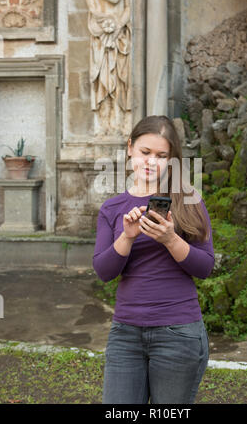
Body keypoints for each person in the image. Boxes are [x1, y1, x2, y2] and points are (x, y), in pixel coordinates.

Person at [92, 115, 215, 404]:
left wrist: (170, 239)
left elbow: (205, 267)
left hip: (179, 332)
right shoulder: (112, 208)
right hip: (126, 334)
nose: (151, 161)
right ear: (130, 148)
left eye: (161, 156)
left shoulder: (189, 200)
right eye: (145, 152)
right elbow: (104, 271)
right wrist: (128, 236)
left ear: (172, 160)